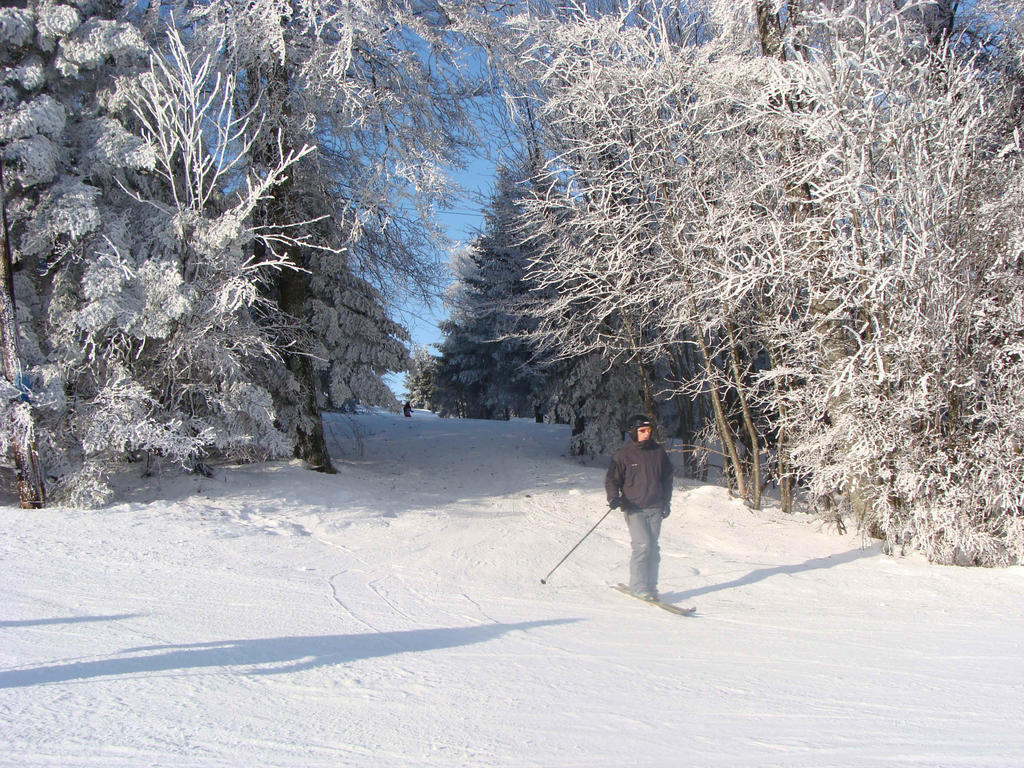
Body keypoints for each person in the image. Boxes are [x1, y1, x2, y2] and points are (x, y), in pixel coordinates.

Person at [605, 414, 674, 601]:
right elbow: (612, 479)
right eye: (642, 431)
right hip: (634, 507)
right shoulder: (623, 455)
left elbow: (667, 478)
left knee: (653, 548)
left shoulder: (658, 452)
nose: (646, 434)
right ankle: (638, 587)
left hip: (655, 507)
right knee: (642, 545)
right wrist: (613, 498)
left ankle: (651, 587)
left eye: (649, 430)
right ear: (633, 432)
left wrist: (666, 502)